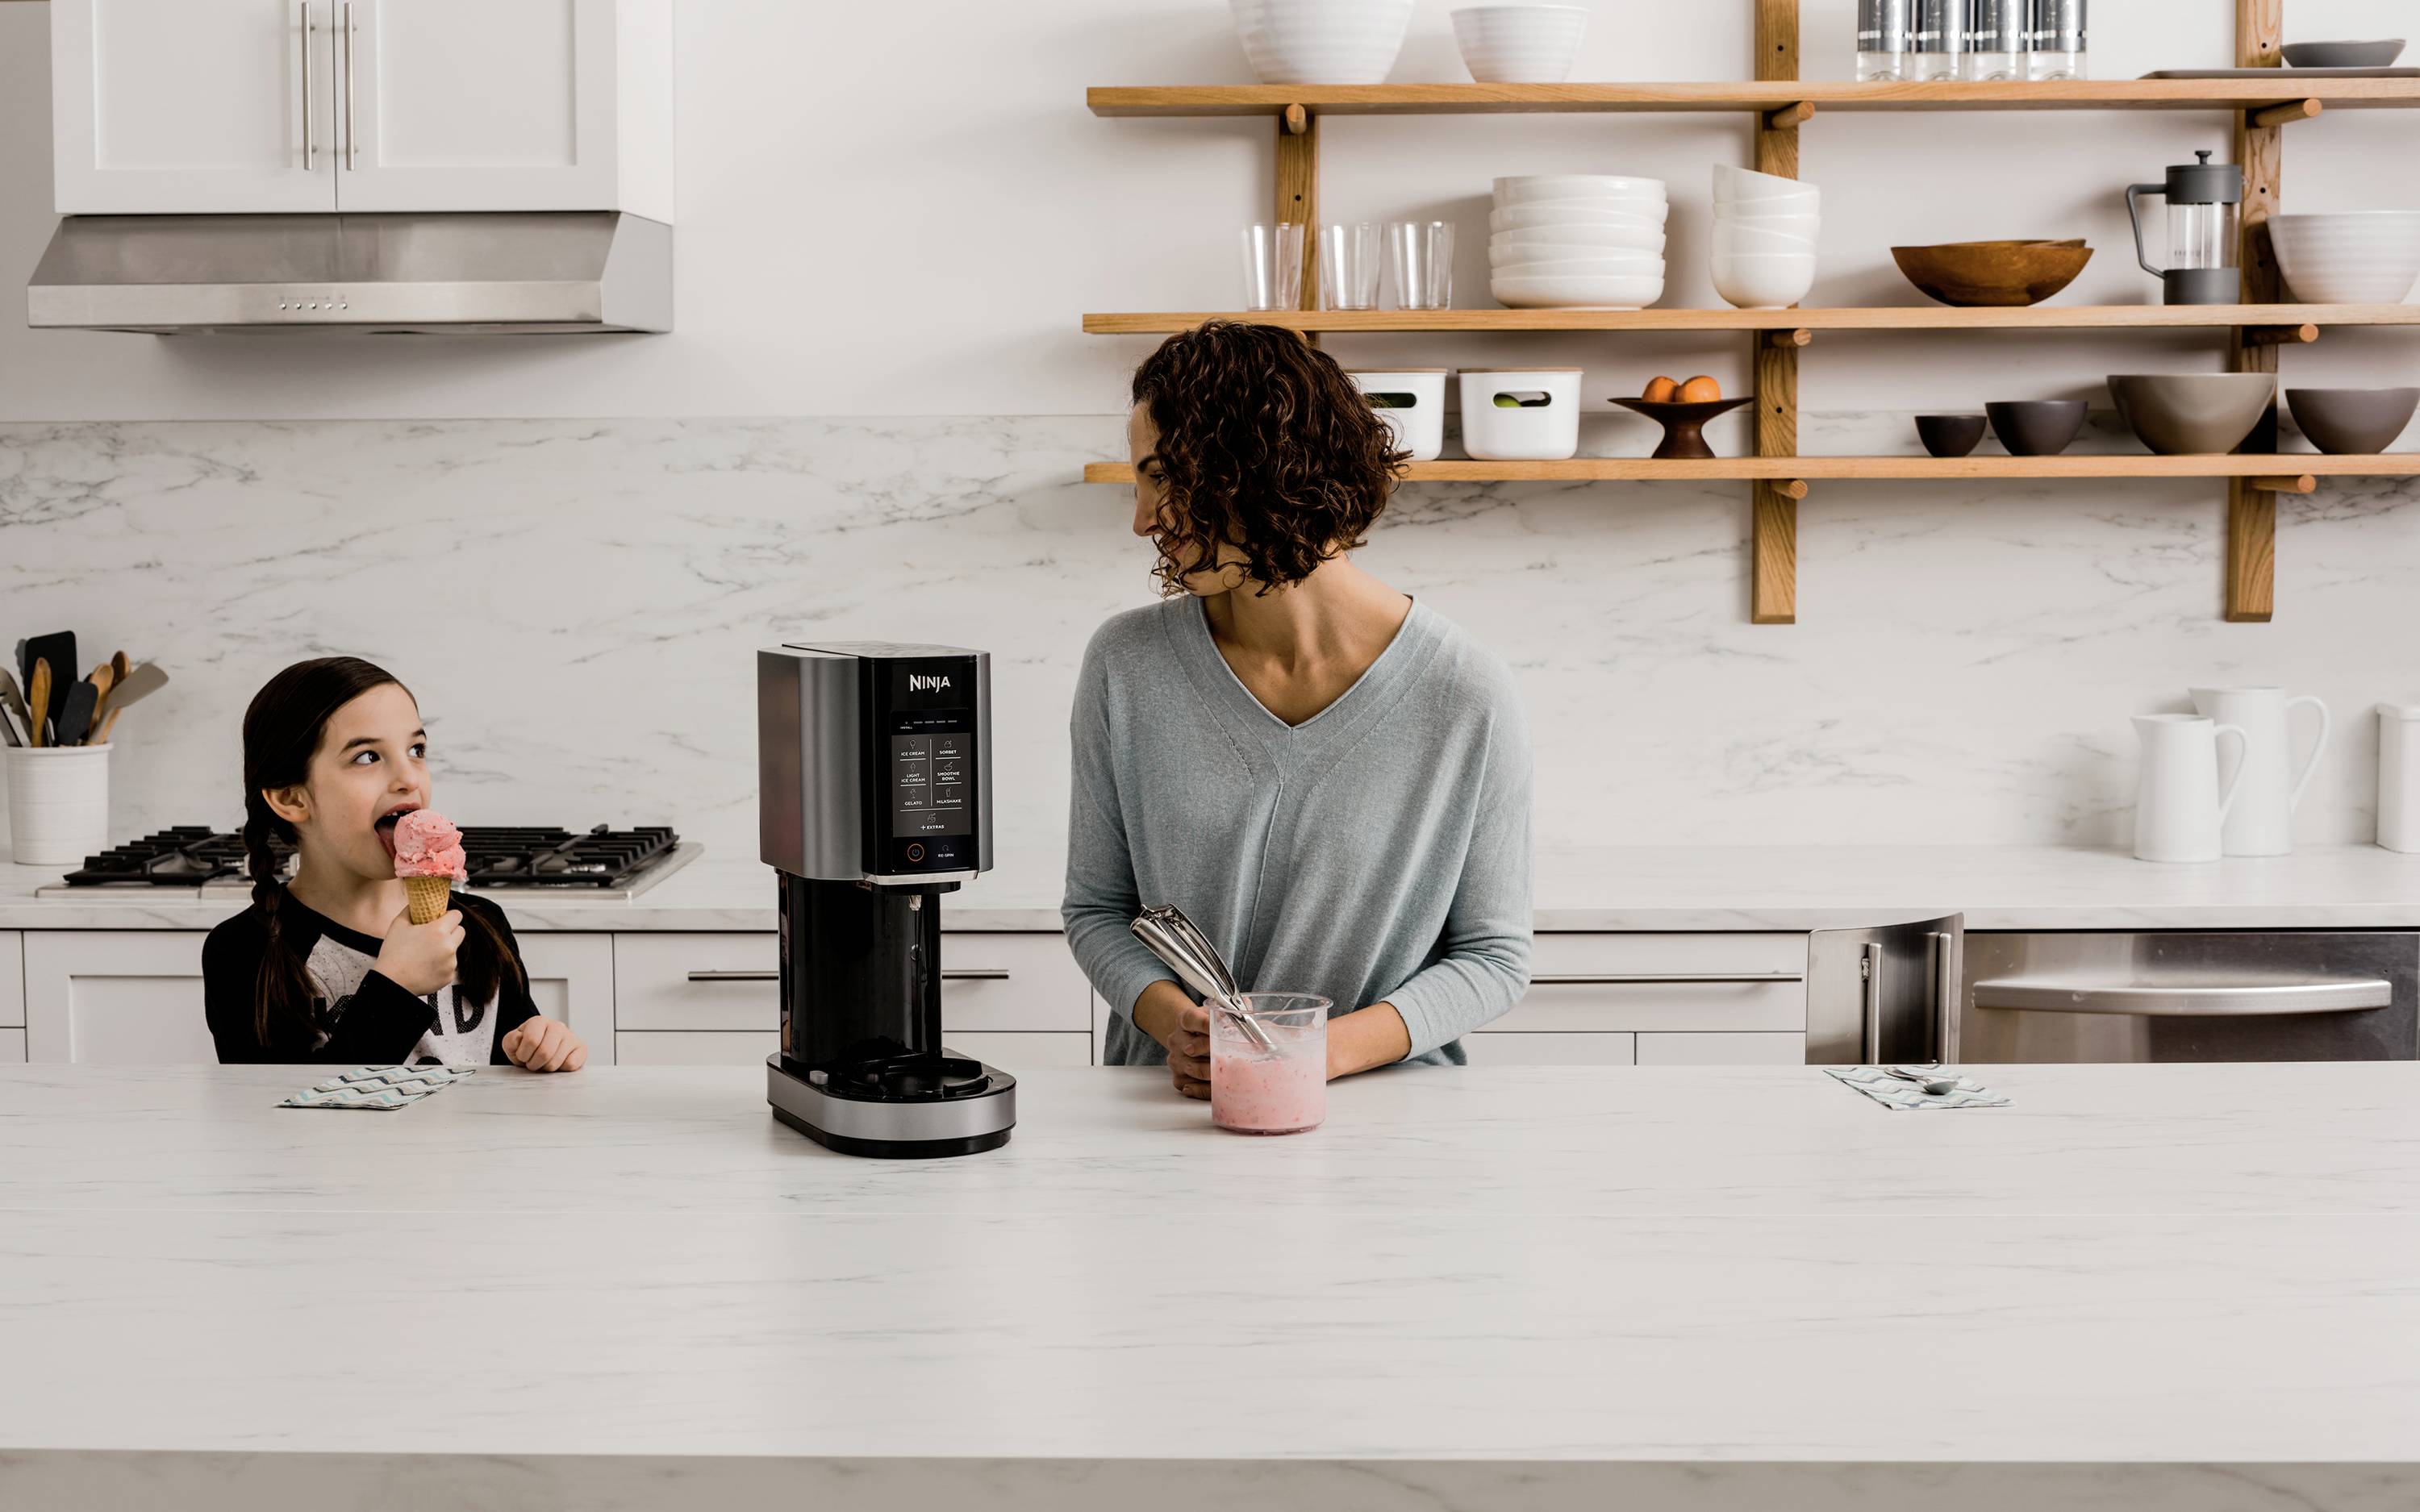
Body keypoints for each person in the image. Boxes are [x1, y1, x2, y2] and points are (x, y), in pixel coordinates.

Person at [1062, 320, 1533, 1100]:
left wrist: (1314, 1051)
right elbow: (1097, 910)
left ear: (1258, 467)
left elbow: (1493, 958)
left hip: (1384, 1121)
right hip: (1165, 1119)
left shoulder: (1464, 693)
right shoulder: (1126, 664)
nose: (1142, 519)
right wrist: (1177, 1024)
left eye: (1163, 475)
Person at [202, 656, 586, 1071]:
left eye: (416, 750)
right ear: (291, 798)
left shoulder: (479, 925)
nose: (409, 778)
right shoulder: (244, 950)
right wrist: (394, 986)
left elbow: (514, 1060)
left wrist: (542, 1046)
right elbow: (282, 1105)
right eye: (367, 757)